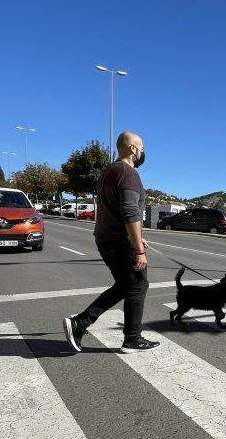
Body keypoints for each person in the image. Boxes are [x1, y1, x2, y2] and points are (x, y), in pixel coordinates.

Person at [63, 131, 160, 354]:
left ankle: (81, 323)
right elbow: (129, 211)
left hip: (106, 238)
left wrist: (136, 236)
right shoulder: (128, 172)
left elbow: (115, 211)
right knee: (137, 286)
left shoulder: (108, 171)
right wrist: (138, 248)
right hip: (119, 241)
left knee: (125, 286)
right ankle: (131, 339)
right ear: (132, 148)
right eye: (141, 147)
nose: (143, 152)